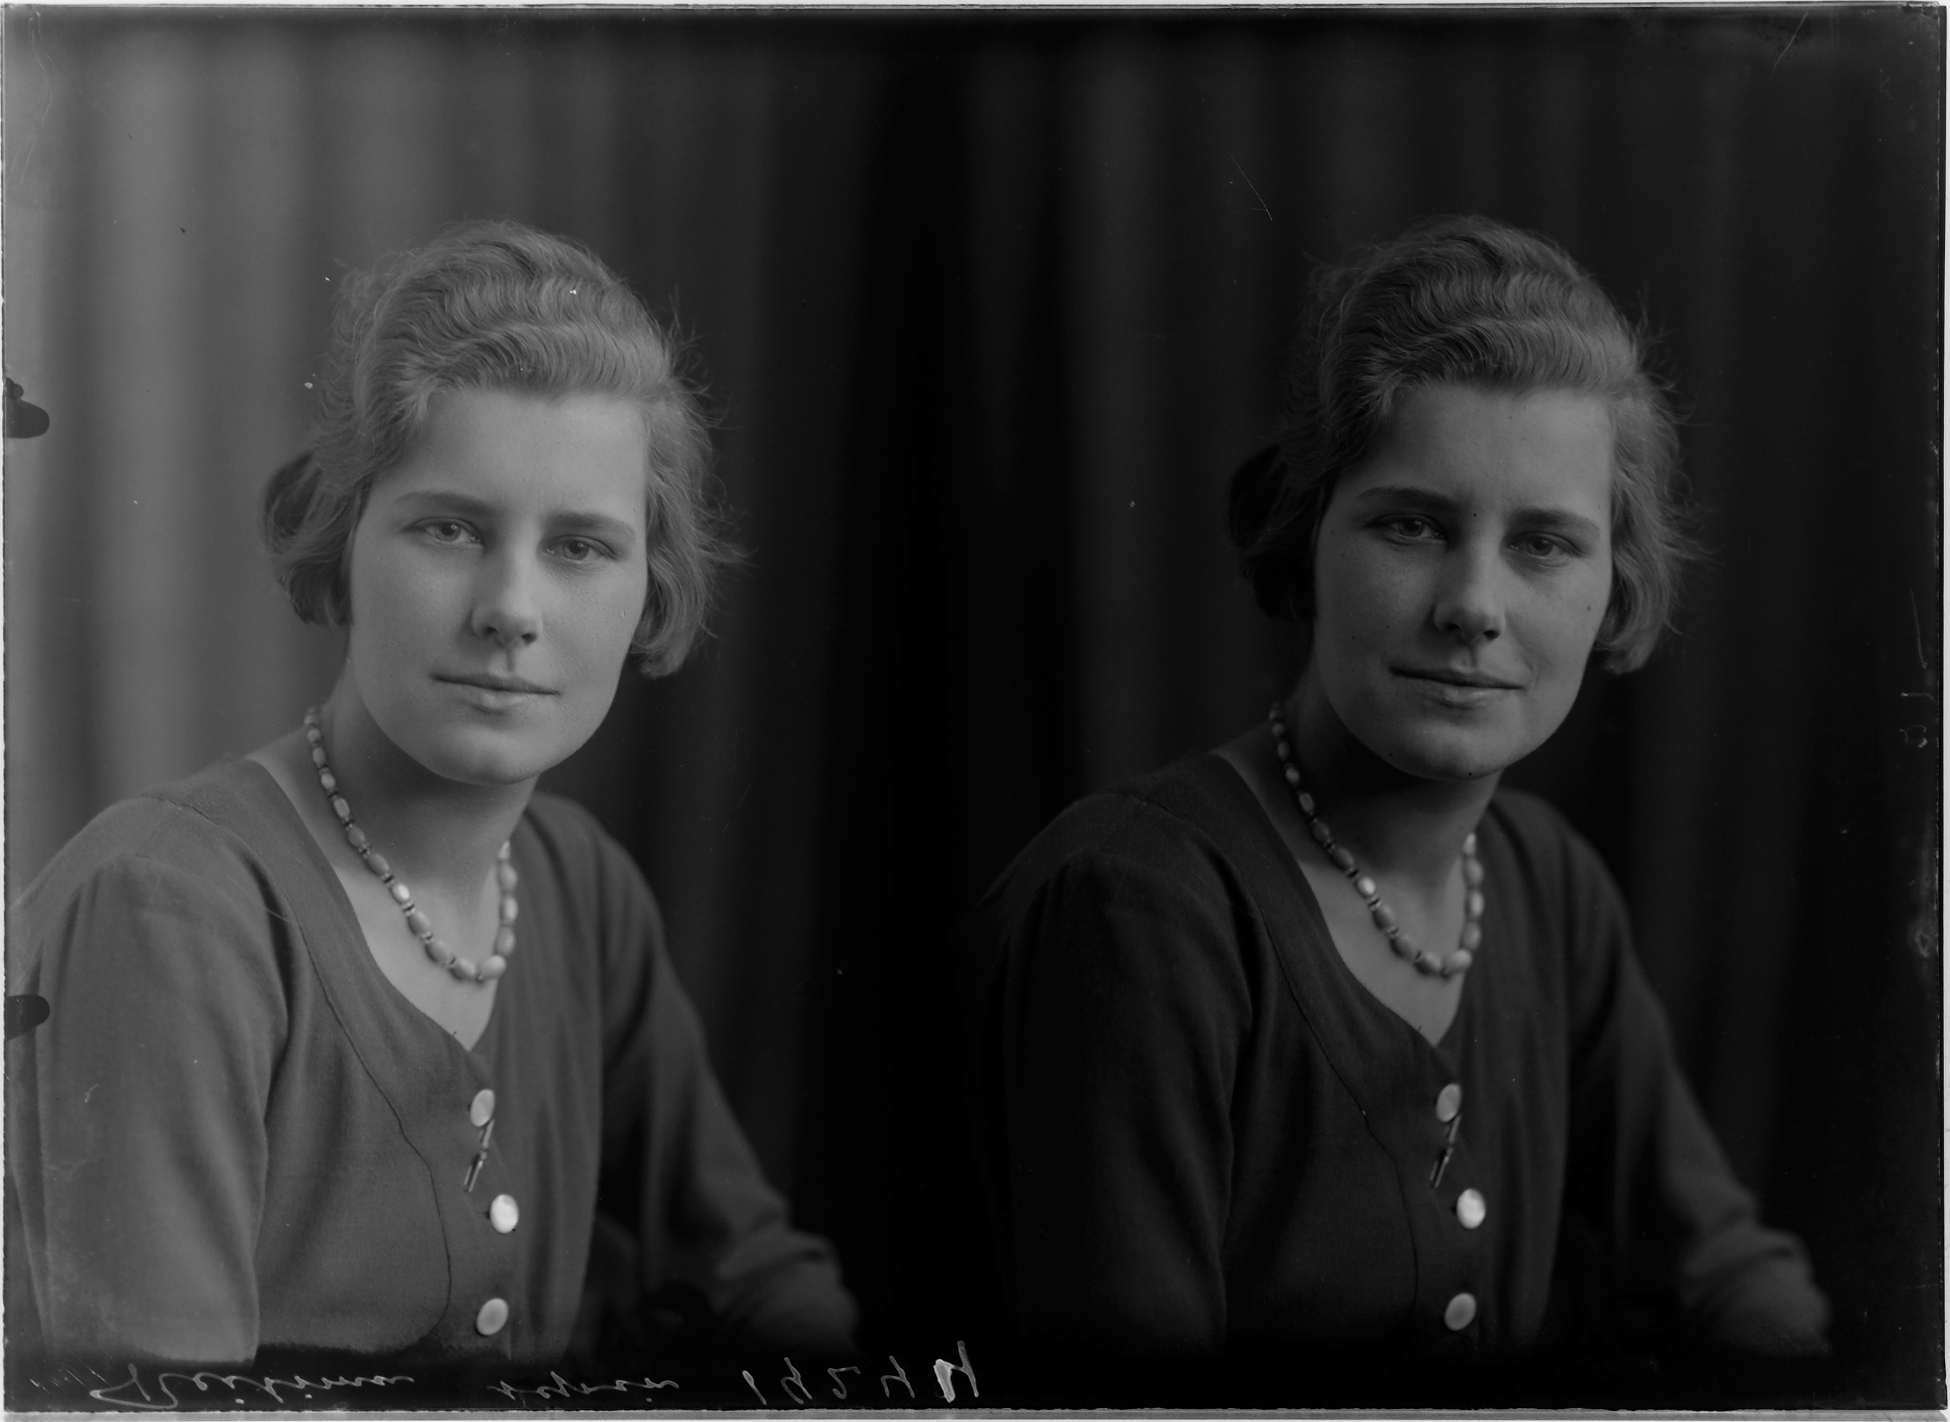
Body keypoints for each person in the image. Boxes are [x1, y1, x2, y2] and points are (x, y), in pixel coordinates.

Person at [955, 217, 1828, 1396]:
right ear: (1308, 532)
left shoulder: (1545, 884)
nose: (1475, 605)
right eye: (1412, 524)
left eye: (1545, 544)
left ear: (1614, 587)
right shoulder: (1140, 908)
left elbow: (1721, 1270)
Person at [5, 221, 857, 1369]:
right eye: (449, 528)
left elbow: (750, 1278)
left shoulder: (577, 889)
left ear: (652, 589)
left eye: (582, 547)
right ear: (344, 539)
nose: (511, 609)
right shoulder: (169, 909)